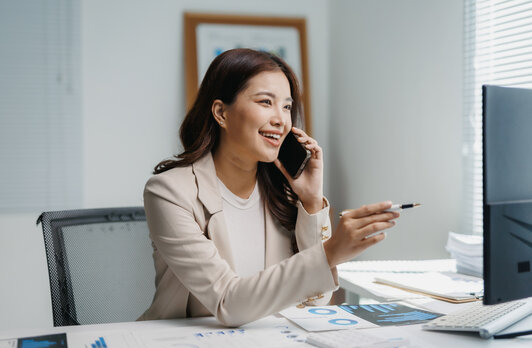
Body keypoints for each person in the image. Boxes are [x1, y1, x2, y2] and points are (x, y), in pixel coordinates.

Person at [138, 48, 399, 326]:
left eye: (286, 106)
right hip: (184, 344)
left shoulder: (281, 192)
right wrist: (331, 252)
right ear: (221, 113)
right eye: (266, 102)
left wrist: (311, 202)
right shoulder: (168, 192)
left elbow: (316, 300)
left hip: (265, 343)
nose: (281, 119)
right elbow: (227, 303)